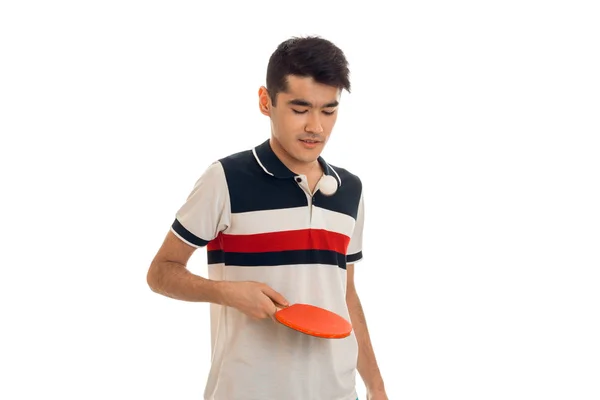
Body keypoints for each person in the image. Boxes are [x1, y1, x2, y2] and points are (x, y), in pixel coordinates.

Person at [147, 35, 388, 400]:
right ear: (266, 101)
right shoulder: (225, 179)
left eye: (328, 110)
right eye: (299, 108)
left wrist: (376, 386)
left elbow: (347, 295)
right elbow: (161, 272)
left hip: (336, 392)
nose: (316, 127)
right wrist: (228, 293)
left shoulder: (349, 190)